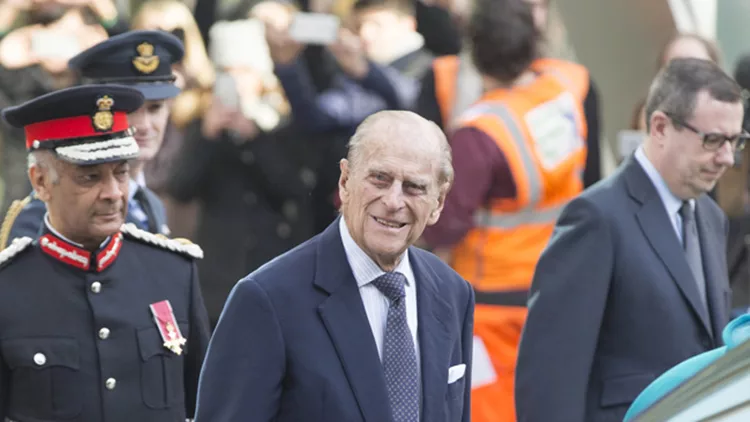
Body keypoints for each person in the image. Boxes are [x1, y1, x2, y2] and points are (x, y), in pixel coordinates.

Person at [194, 110, 474, 422]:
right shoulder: (267, 300)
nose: (394, 201)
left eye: (414, 187)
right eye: (379, 179)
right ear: (344, 182)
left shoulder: (453, 292)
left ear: (438, 202)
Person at [515, 58, 743, 422]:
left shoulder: (710, 218)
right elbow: (550, 377)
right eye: (713, 140)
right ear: (660, 127)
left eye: (736, 141)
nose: (727, 158)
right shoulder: (596, 217)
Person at [0, 84, 210, 421]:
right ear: (40, 182)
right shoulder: (8, 287)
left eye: (121, 173)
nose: (112, 193)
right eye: (90, 177)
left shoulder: (173, 273)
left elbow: (206, 402)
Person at [420, 0, 588, 420]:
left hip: (491, 299)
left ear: (475, 53)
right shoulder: (567, 87)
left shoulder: (480, 134)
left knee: (489, 408)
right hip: (553, 278)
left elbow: (445, 227)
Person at [0, 30, 184, 248]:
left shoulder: (151, 204)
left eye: (155, 108)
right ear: (100, 114)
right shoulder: (50, 211)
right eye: (130, 110)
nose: (144, 125)